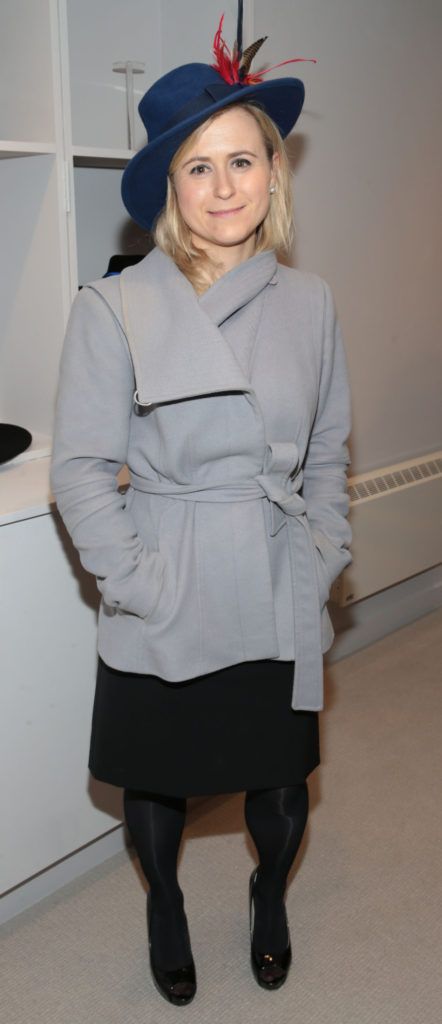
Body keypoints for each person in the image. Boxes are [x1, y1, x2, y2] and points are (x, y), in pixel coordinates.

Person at [50, 9, 352, 1008]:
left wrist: (321, 548)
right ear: (169, 188)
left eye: (243, 160)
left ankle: (267, 894)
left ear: (274, 170)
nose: (224, 187)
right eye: (198, 167)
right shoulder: (115, 305)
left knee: (278, 776)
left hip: (272, 569)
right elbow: (83, 470)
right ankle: (166, 905)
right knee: (160, 775)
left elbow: (324, 454)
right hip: (167, 572)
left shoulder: (310, 304)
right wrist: (135, 582)